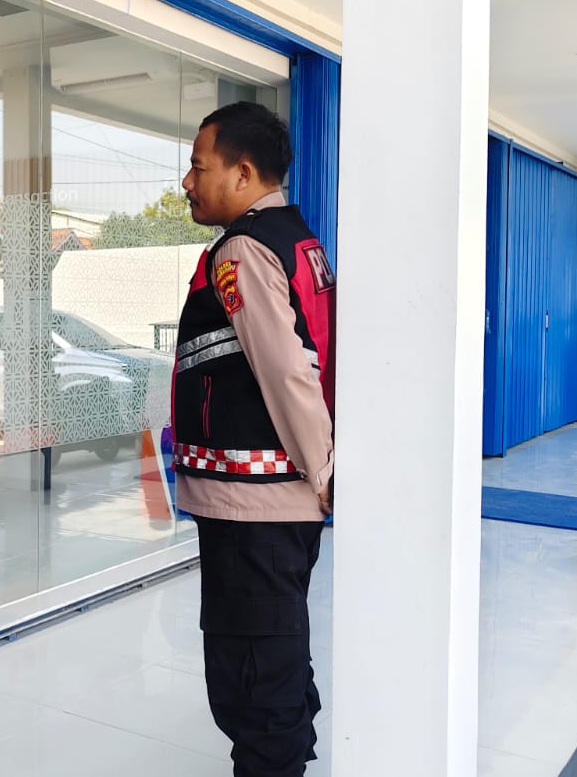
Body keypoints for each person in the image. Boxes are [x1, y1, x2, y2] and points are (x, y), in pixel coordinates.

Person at [172, 101, 336, 777]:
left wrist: (323, 473)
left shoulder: (242, 250)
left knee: (254, 677)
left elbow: (285, 371)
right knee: (274, 655)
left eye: (198, 166)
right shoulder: (296, 239)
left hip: (257, 509)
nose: (187, 181)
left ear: (242, 174)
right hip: (269, 505)